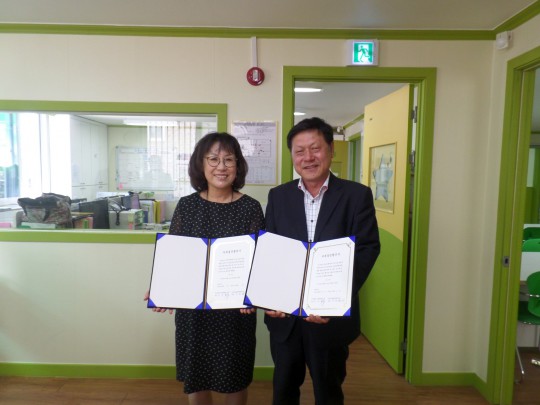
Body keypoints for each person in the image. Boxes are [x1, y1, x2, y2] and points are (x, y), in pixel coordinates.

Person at [264, 117, 380, 405]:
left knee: (328, 392)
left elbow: (367, 248)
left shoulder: (356, 195)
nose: (308, 157)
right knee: (283, 390)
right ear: (292, 156)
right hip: (286, 319)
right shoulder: (278, 196)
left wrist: (335, 298)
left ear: (331, 150)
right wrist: (270, 297)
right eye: (299, 151)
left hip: (330, 319)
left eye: (315, 148)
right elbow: (270, 251)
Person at [144, 132, 265, 405]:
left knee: (235, 377)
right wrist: (162, 288)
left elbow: (259, 262)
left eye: (228, 160)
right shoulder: (187, 206)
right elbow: (175, 256)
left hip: (235, 313)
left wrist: (254, 295)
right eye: (213, 159)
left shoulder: (251, 207)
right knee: (196, 375)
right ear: (201, 164)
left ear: (238, 165)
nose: (221, 167)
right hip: (193, 312)